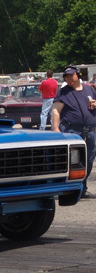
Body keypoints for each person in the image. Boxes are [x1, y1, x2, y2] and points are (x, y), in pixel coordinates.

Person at [52, 65, 96, 199]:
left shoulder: (89, 89)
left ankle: (82, 188)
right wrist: (56, 129)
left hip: (89, 131)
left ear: (78, 75)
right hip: (72, 131)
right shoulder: (63, 92)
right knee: (73, 161)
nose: (69, 78)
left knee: (89, 160)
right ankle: (70, 189)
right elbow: (55, 111)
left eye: (71, 75)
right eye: (66, 76)